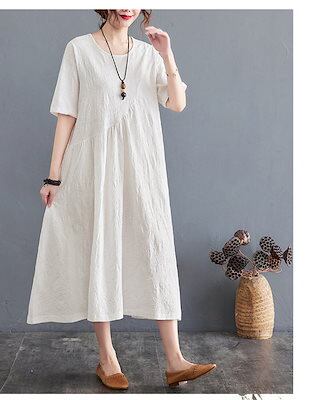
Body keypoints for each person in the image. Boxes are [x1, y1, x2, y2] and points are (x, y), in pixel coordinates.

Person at [27, 9, 216, 390]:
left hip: (142, 167)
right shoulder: (79, 49)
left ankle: (175, 360)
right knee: (101, 248)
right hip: (94, 167)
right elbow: (66, 114)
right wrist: (53, 175)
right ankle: (107, 358)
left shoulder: (148, 55)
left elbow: (177, 103)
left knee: (155, 249)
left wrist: (167, 54)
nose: (127, 7)